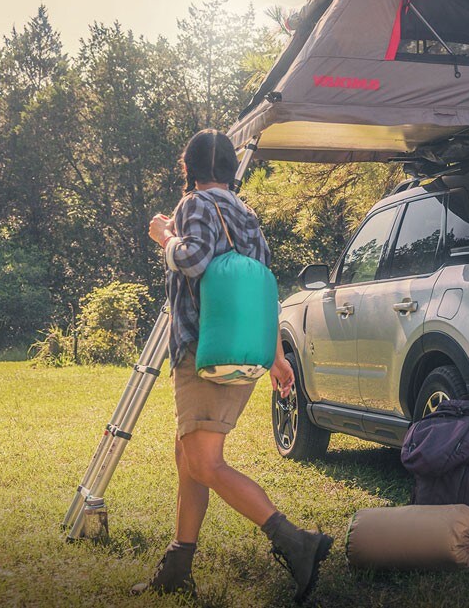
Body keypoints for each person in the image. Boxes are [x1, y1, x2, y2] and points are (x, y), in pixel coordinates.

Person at [135, 129, 332, 602]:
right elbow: (262, 288)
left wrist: (164, 236)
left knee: (204, 460)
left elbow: (194, 258)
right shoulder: (247, 215)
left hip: (206, 352)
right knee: (187, 456)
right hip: (242, 353)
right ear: (229, 169)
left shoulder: (194, 207)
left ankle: (297, 543)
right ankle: (177, 566)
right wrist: (276, 357)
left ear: (190, 170)